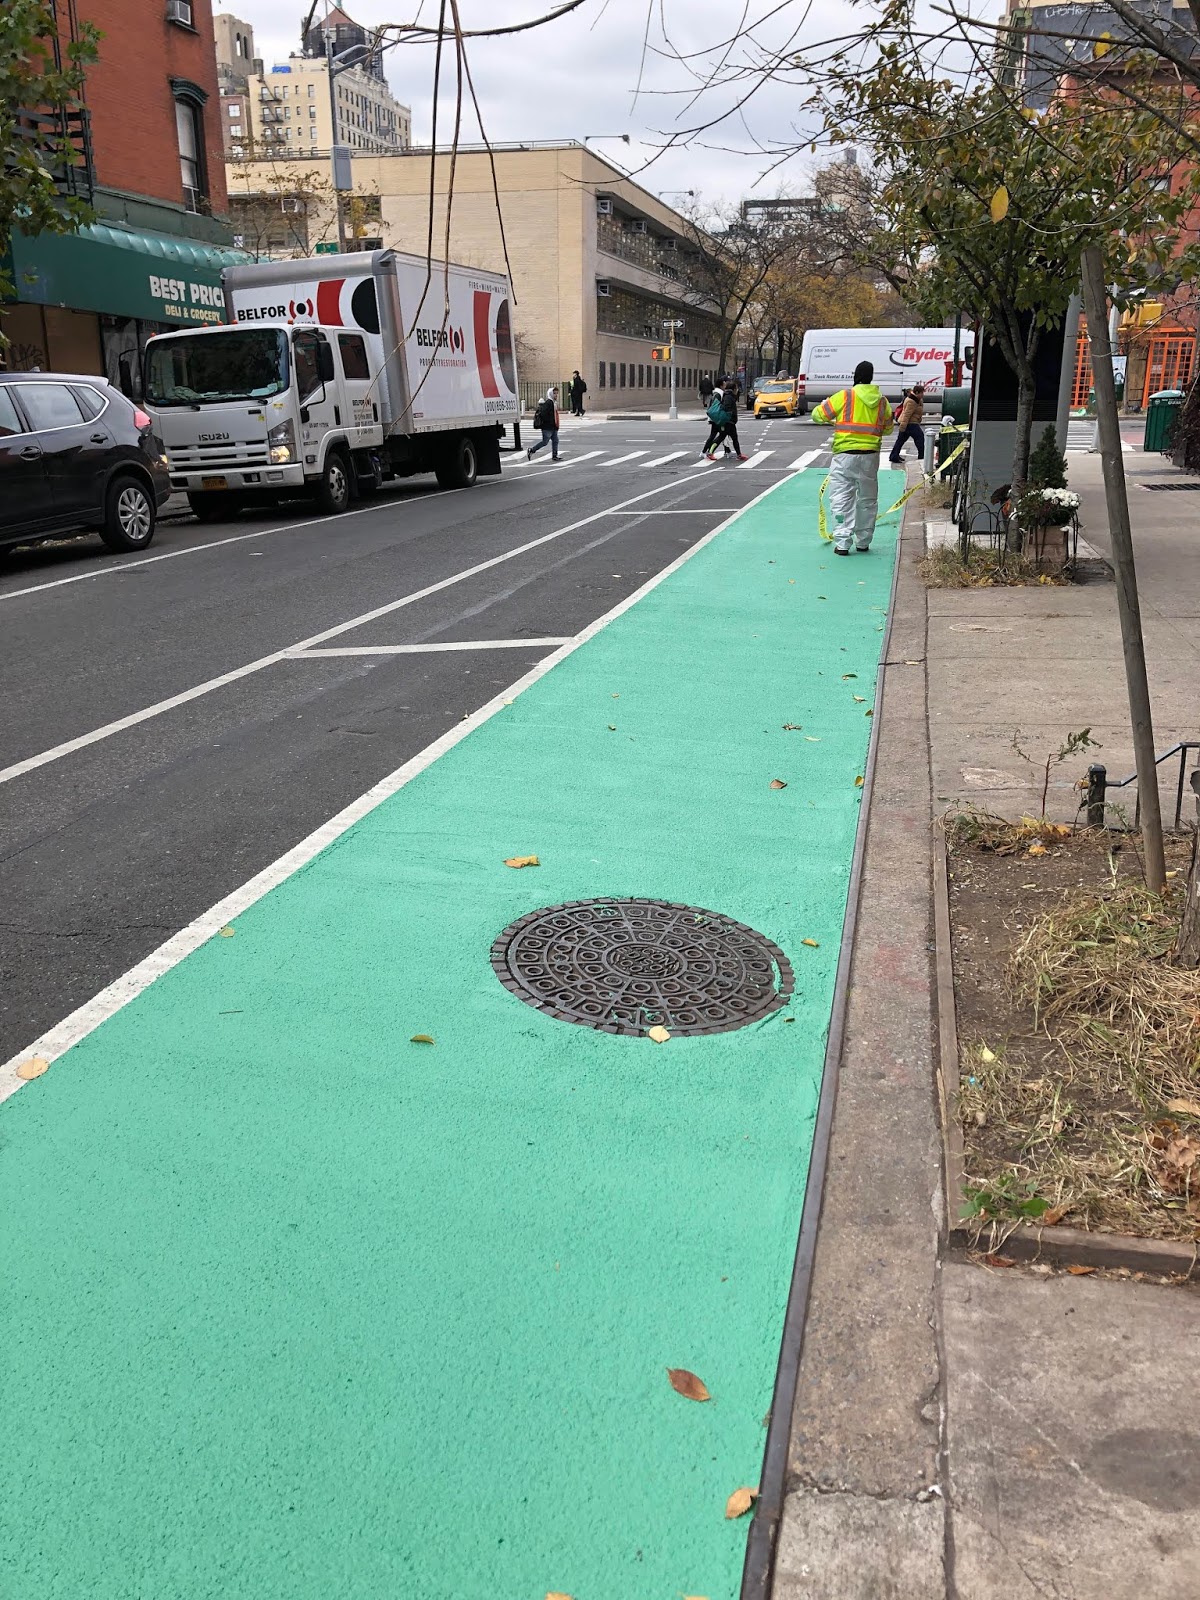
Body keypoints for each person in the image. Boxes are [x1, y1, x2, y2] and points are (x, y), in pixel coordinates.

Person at [811, 360, 894, 554]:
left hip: (845, 456)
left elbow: (818, 415)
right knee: (867, 499)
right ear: (871, 378)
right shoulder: (882, 402)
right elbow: (889, 429)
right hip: (870, 457)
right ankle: (864, 541)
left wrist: (825, 407)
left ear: (855, 376)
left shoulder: (845, 396)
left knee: (841, 498)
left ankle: (842, 541)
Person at [705, 379, 747, 461]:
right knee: (733, 438)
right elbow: (725, 407)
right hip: (729, 421)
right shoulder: (729, 397)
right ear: (733, 389)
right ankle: (738, 454)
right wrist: (730, 414)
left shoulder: (727, 395)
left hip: (728, 421)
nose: (737, 390)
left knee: (722, 437)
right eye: (736, 388)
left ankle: (710, 452)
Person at [889, 383, 925, 465]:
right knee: (920, 438)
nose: (923, 395)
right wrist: (902, 427)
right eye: (921, 393)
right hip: (910, 423)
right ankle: (922, 456)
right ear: (916, 392)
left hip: (910, 423)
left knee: (901, 440)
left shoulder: (916, 399)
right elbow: (906, 414)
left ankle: (894, 456)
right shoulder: (911, 401)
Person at [527, 386, 561, 461]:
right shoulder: (549, 403)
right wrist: (549, 422)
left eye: (557, 393)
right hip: (548, 427)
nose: (556, 395)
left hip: (553, 426)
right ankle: (532, 450)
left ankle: (554, 456)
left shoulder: (553, 403)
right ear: (551, 394)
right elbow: (543, 414)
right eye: (554, 393)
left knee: (555, 440)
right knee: (545, 442)